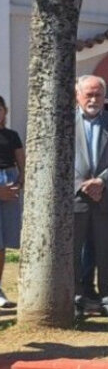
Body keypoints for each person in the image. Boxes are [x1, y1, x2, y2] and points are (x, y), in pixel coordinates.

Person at [74, 75, 108, 321]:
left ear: (105, 97)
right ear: (78, 95)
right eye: (89, 94)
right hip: (76, 198)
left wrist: (101, 181)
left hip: (105, 197)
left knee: (107, 252)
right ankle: (76, 299)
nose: (93, 99)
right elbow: (59, 158)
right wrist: (81, 185)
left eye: (98, 94)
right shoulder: (65, 121)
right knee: (74, 252)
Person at [0, 95, 24, 308]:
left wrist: (19, 183)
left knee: (2, 243)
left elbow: (22, 161)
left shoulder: (12, 135)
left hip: (9, 179)